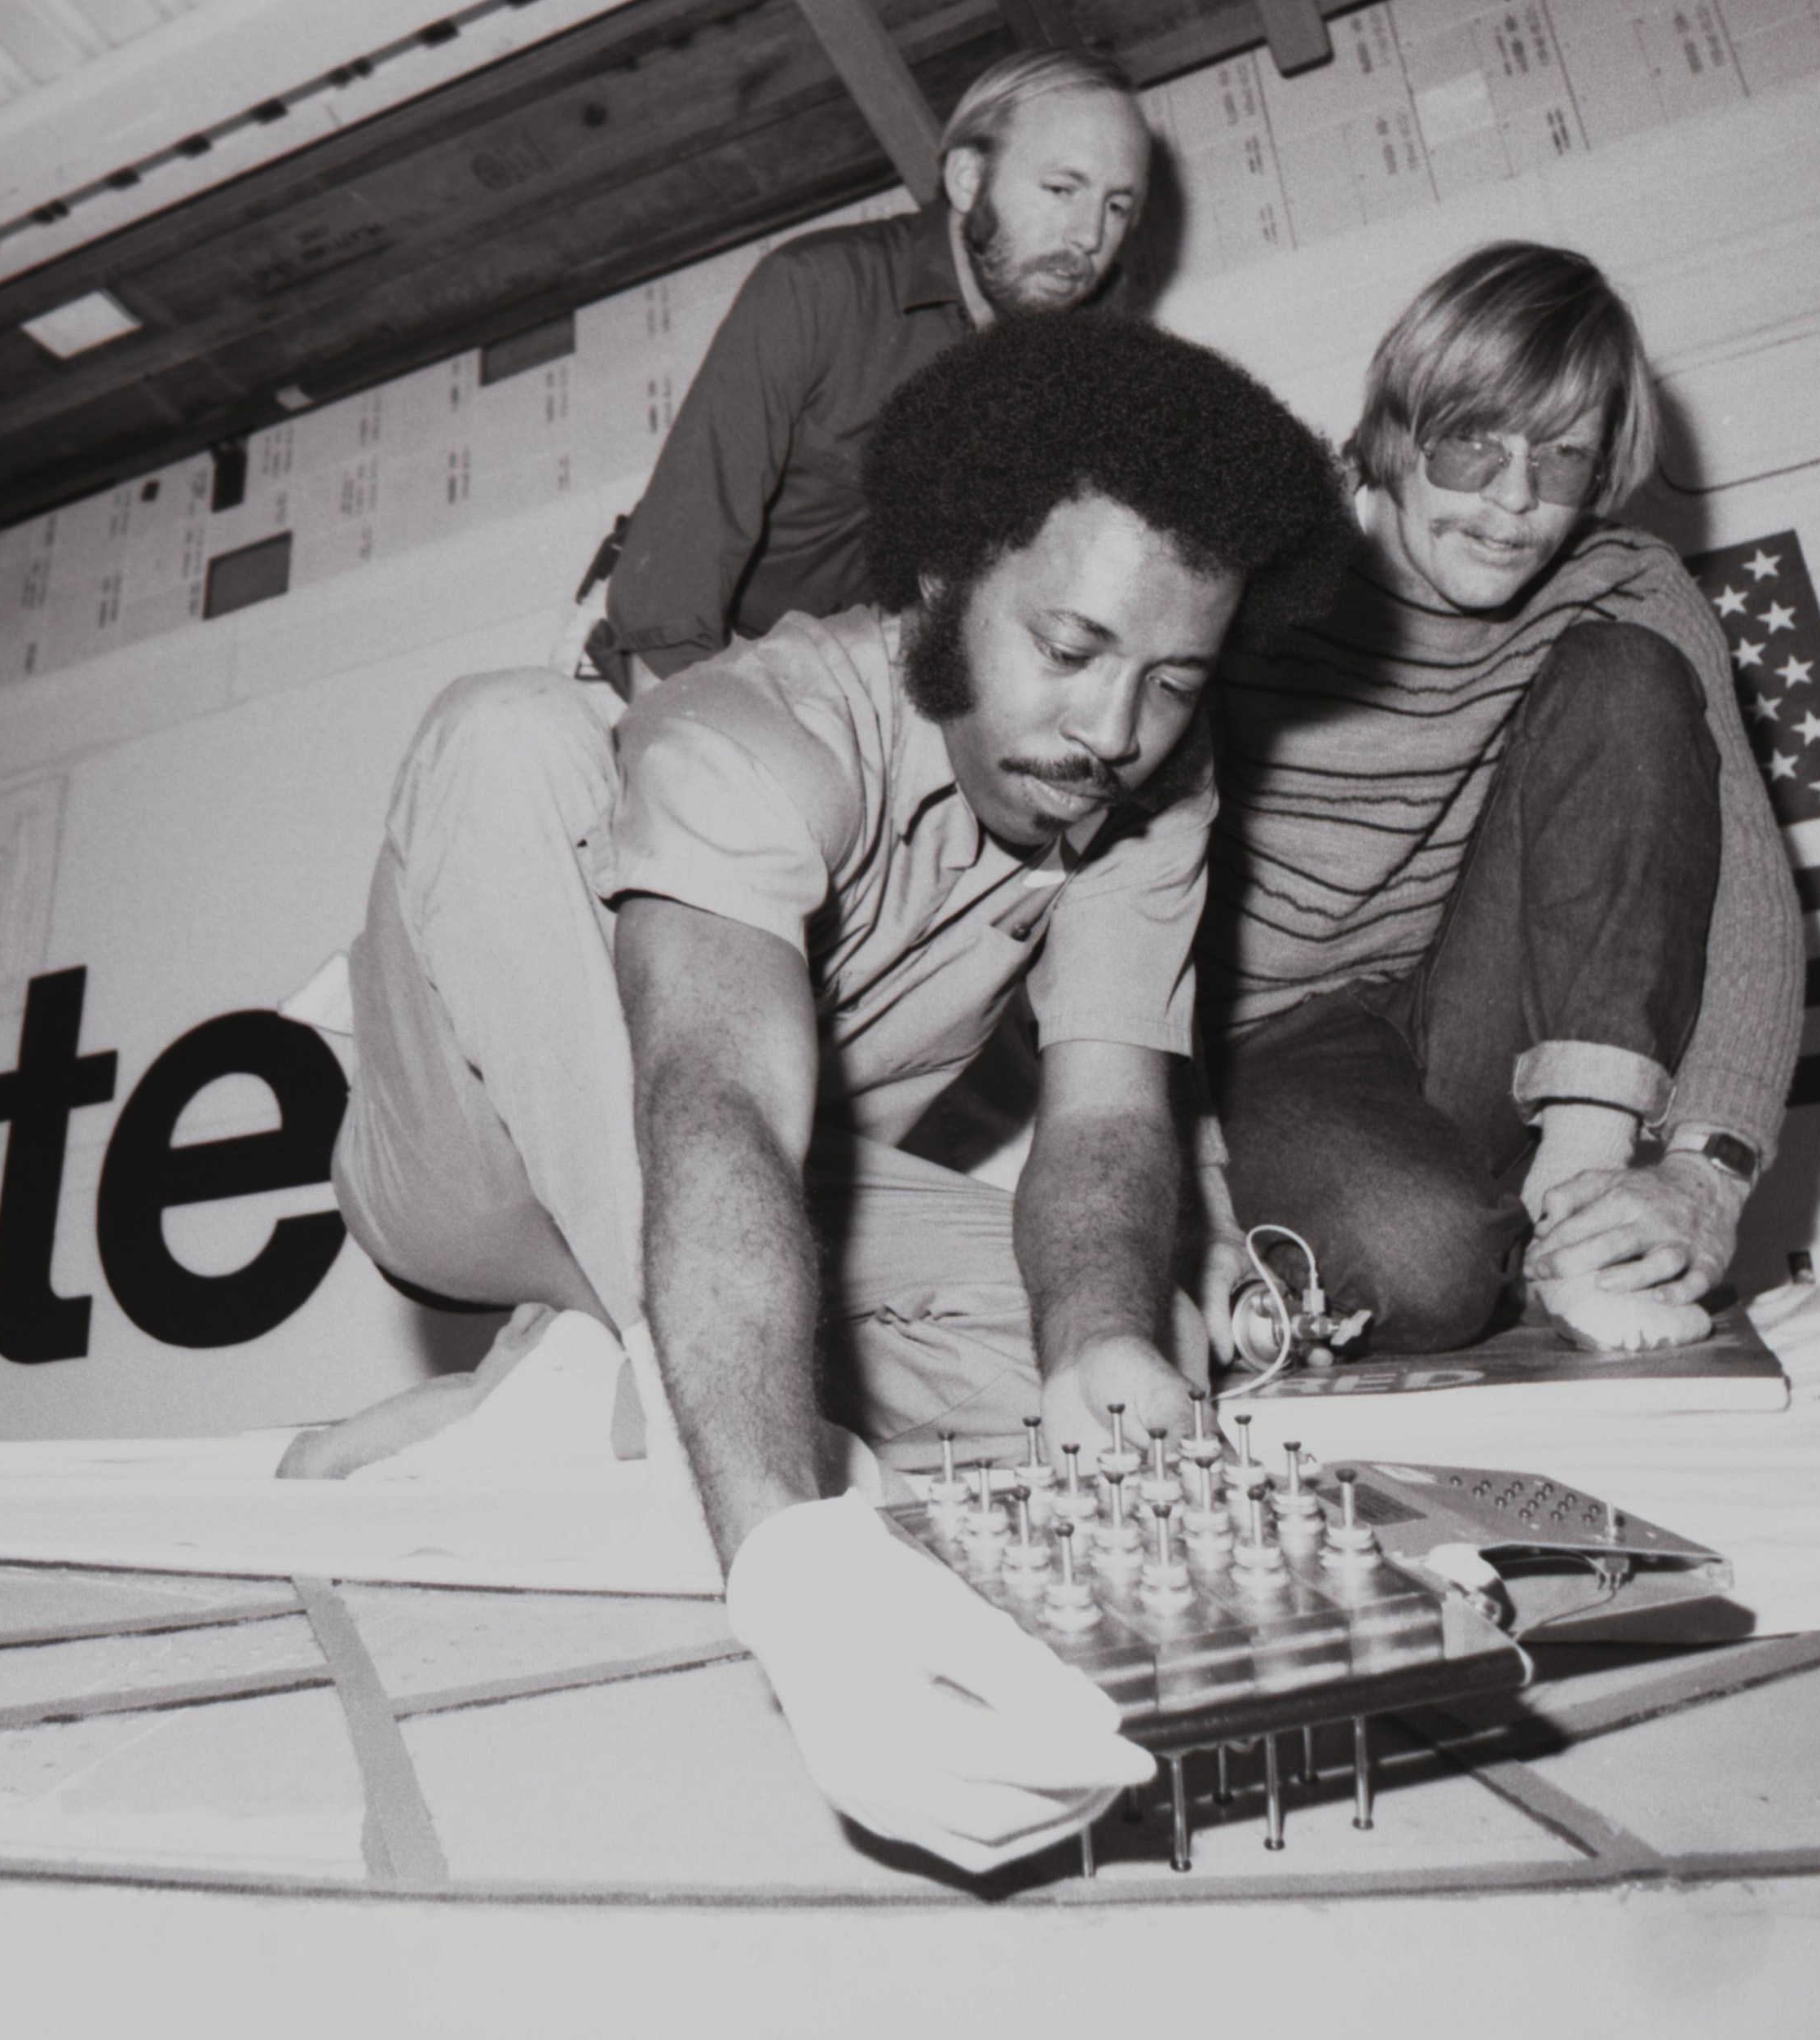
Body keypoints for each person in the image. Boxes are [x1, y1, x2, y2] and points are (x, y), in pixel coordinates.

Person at [295, 315, 1351, 1874]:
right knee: (505, 736)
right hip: (486, 1147)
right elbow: (714, 1100)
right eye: (1066, 652)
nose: (1113, 735)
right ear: (937, 590)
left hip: (760, 1194)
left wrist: (1101, 1340)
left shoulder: (1152, 797)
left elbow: (1109, 1117)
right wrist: (788, 1563)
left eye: (1169, 680)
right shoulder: (764, 732)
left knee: (1141, 1360)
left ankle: (570, 1401)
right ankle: (679, 1388)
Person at [1198, 243, 1802, 1357]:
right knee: (1426, 1273)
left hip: (1463, 999)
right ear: (1396, 432)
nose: (1514, 502)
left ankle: (1576, 1214)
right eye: (1473, 445)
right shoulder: (1256, 574)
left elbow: (1748, 903)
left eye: (1563, 457)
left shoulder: (1626, 583)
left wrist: (1703, 1178)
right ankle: (1421, 1248)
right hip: (1268, 1041)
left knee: (1629, 676)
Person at [596, 48, 1152, 690]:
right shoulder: (816, 288)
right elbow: (666, 604)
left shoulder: (1084, 370)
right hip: (682, 655)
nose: (1088, 236)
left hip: (844, 681)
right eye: (1062, 190)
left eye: (1117, 208)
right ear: (970, 179)